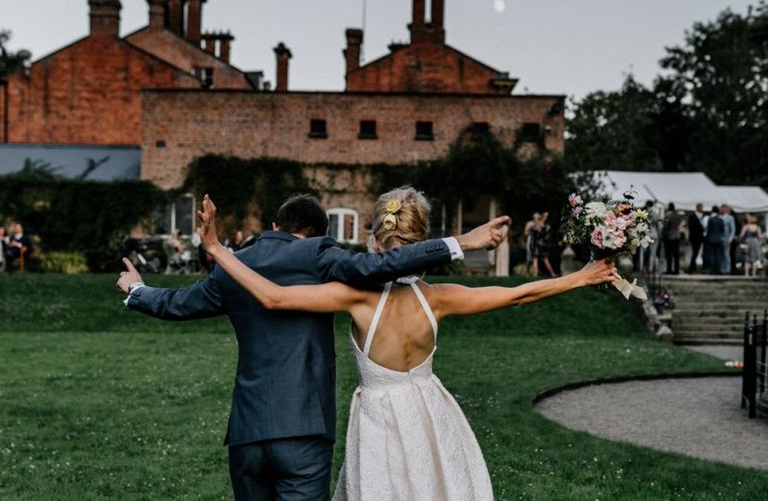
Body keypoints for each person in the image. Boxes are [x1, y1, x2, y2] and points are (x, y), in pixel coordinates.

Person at [196, 189, 616, 501]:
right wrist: (581, 276)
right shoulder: (440, 299)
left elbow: (273, 297)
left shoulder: (355, 298)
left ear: (377, 244)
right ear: (420, 245)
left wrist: (218, 249)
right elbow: (520, 293)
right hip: (430, 413)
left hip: (378, 421)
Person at [117, 193, 509, 501]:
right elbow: (382, 265)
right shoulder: (319, 254)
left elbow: (175, 304)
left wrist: (137, 290)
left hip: (247, 434)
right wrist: (462, 242)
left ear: (274, 226)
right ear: (320, 235)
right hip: (304, 431)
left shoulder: (234, 269)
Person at [530, 212, 556, 277]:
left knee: (543, 260)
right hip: (536, 245)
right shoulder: (538, 227)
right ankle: (536, 275)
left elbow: (535, 238)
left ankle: (551, 273)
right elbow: (535, 238)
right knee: (537, 260)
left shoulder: (537, 228)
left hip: (537, 245)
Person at [703, 205, 727, 274]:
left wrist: (707, 238)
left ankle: (713, 270)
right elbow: (722, 230)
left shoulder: (710, 219)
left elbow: (708, 230)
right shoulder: (721, 220)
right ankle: (718, 269)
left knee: (712, 255)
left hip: (711, 238)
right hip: (719, 238)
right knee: (718, 255)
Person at [662, 203, 682, 275]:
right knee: (676, 255)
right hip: (677, 236)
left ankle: (669, 269)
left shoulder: (667, 216)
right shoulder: (677, 215)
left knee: (669, 255)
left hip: (669, 237)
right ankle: (676, 270)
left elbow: (666, 227)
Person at [687, 203, 705, 272]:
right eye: (701, 208)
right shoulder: (692, 217)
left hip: (700, 237)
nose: (702, 209)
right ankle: (691, 267)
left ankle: (693, 267)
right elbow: (691, 227)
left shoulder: (703, 216)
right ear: (697, 208)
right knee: (695, 252)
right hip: (694, 237)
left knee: (696, 252)